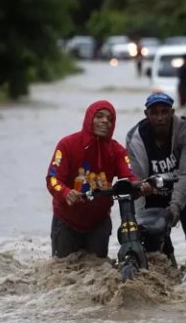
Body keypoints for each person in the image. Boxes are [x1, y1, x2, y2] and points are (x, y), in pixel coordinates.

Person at [126, 92, 186, 281]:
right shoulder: (135, 138)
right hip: (155, 193)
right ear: (146, 114)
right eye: (154, 112)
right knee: (150, 241)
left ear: (172, 112)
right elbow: (137, 179)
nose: (160, 118)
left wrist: (175, 206)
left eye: (165, 112)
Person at [46, 100, 139, 259]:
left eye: (110, 119)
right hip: (66, 221)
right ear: (89, 119)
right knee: (62, 272)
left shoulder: (117, 151)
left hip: (99, 222)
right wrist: (66, 193)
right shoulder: (67, 145)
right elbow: (53, 178)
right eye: (99, 116)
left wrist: (141, 186)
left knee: (97, 273)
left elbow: (130, 176)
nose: (105, 121)